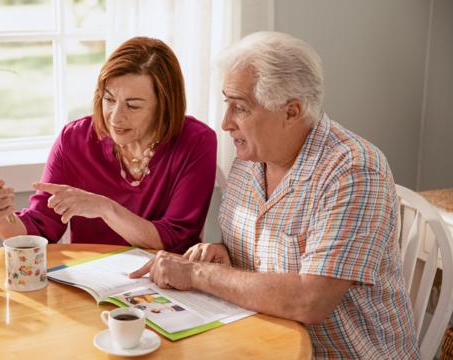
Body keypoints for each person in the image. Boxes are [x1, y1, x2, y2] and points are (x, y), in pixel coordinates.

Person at [130, 31, 419, 358]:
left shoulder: (353, 171)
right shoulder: (251, 159)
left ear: (292, 112)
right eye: (227, 104)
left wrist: (197, 273)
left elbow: (309, 300)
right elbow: (258, 257)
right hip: (263, 345)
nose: (226, 123)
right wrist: (224, 254)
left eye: (239, 107)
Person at [0, 36, 216, 254]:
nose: (115, 117)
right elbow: (40, 231)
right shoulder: (74, 140)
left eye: (132, 106)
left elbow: (176, 240)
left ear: (164, 106)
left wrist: (105, 208)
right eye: (109, 99)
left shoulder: (196, 142)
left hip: (166, 287)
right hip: (91, 286)